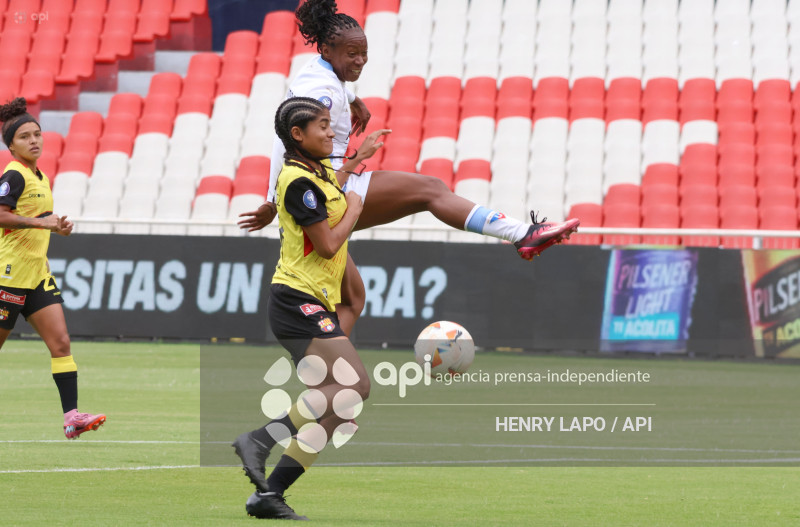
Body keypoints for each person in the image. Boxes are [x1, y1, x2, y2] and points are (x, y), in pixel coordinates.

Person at [239, 0, 580, 335]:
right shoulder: (323, 89)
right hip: (327, 191)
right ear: (327, 50)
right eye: (352, 54)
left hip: (324, 187)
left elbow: (322, 95)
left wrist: (354, 100)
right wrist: (273, 200)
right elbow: (284, 139)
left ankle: (321, 362)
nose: (360, 61)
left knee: (353, 300)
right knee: (430, 190)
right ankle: (521, 234)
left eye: (364, 53)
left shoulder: (318, 71)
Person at [233, 97, 373, 520]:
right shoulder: (297, 181)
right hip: (296, 299)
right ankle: (260, 439)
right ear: (298, 135)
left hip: (312, 299)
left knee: (340, 405)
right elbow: (328, 243)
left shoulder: (316, 173)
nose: (332, 132)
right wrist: (355, 209)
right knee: (355, 386)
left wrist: (357, 161)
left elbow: (331, 188)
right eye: (323, 125)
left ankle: (269, 495)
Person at [0, 98, 105, 439]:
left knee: (60, 342)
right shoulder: (14, 175)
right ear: (11, 146)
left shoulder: (40, 176)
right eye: (24, 137)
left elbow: (36, 222)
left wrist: (56, 228)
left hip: (36, 276)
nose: (34, 141)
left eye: (37, 134)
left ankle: (72, 418)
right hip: (8, 276)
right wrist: (42, 223)